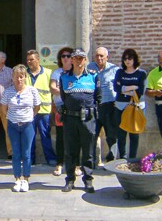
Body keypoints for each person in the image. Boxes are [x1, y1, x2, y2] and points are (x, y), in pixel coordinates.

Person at [59, 49, 100, 193]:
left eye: (81, 58)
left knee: (88, 151)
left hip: (88, 119)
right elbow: (64, 98)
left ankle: (88, 180)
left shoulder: (93, 76)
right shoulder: (64, 77)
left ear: (85, 60)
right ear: (71, 60)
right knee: (70, 151)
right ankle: (70, 180)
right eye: (75, 58)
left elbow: (98, 98)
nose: (78, 61)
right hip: (70, 118)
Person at [1, 64, 40, 192]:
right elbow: (3, 109)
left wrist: (28, 117)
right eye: (16, 77)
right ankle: (17, 179)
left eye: (21, 77)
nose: (19, 80)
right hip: (13, 125)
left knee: (27, 153)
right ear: (12, 78)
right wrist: (13, 118)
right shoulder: (8, 91)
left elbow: (37, 107)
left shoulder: (32, 91)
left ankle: (26, 179)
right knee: (16, 153)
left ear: (25, 77)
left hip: (27, 125)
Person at [113, 48, 147, 159]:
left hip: (135, 107)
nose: (127, 61)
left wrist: (124, 89)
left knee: (134, 134)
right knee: (121, 134)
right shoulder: (119, 72)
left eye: (130, 58)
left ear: (135, 59)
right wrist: (132, 88)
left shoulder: (141, 73)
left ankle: (132, 159)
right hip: (120, 106)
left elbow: (141, 91)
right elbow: (116, 88)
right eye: (125, 59)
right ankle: (122, 157)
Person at [87, 47, 119, 164]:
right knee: (92, 135)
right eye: (97, 56)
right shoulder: (89, 68)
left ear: (107, 57)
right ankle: (91, 162)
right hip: (93, 106)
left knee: (111, 135)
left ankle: (112, 161)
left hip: (109, 106)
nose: (99, 58)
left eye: (101, 56)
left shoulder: (115, 70)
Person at [25, 49, 56, 166]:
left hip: (44, 111)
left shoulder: (48, 73)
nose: (29, 62)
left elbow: (53, 92)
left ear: (38, 60)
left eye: (32, 59)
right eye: (28, 60)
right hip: (28, 112)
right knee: (29, 137)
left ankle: (50, 159)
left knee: (45, 136)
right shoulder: (24, 74)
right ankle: (30, 160)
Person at [50, 47, 74, 176]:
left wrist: (62, 89)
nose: (65, 58)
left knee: (75, 137)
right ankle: (59, 164)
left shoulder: (76, 72)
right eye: (63, 56)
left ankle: (76, 165)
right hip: (60, 107)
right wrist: (69, 90)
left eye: (68, 56)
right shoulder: (56, 73)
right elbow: (53, 89)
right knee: (61, 137)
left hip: (74, 107)